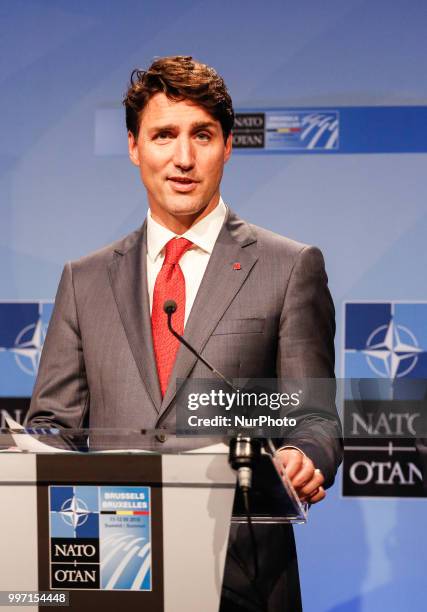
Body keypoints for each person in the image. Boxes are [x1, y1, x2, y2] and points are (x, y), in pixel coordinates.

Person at [27, 56, 342, 611]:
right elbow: (53, 425)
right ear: (133, 147)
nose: (183, 157)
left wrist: (303, 453)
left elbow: (313, 415)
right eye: (163, 135)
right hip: (110, 574)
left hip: (241, 573)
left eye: (202, 135)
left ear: (227, 147)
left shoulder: (289, 267)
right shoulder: (84, 280)